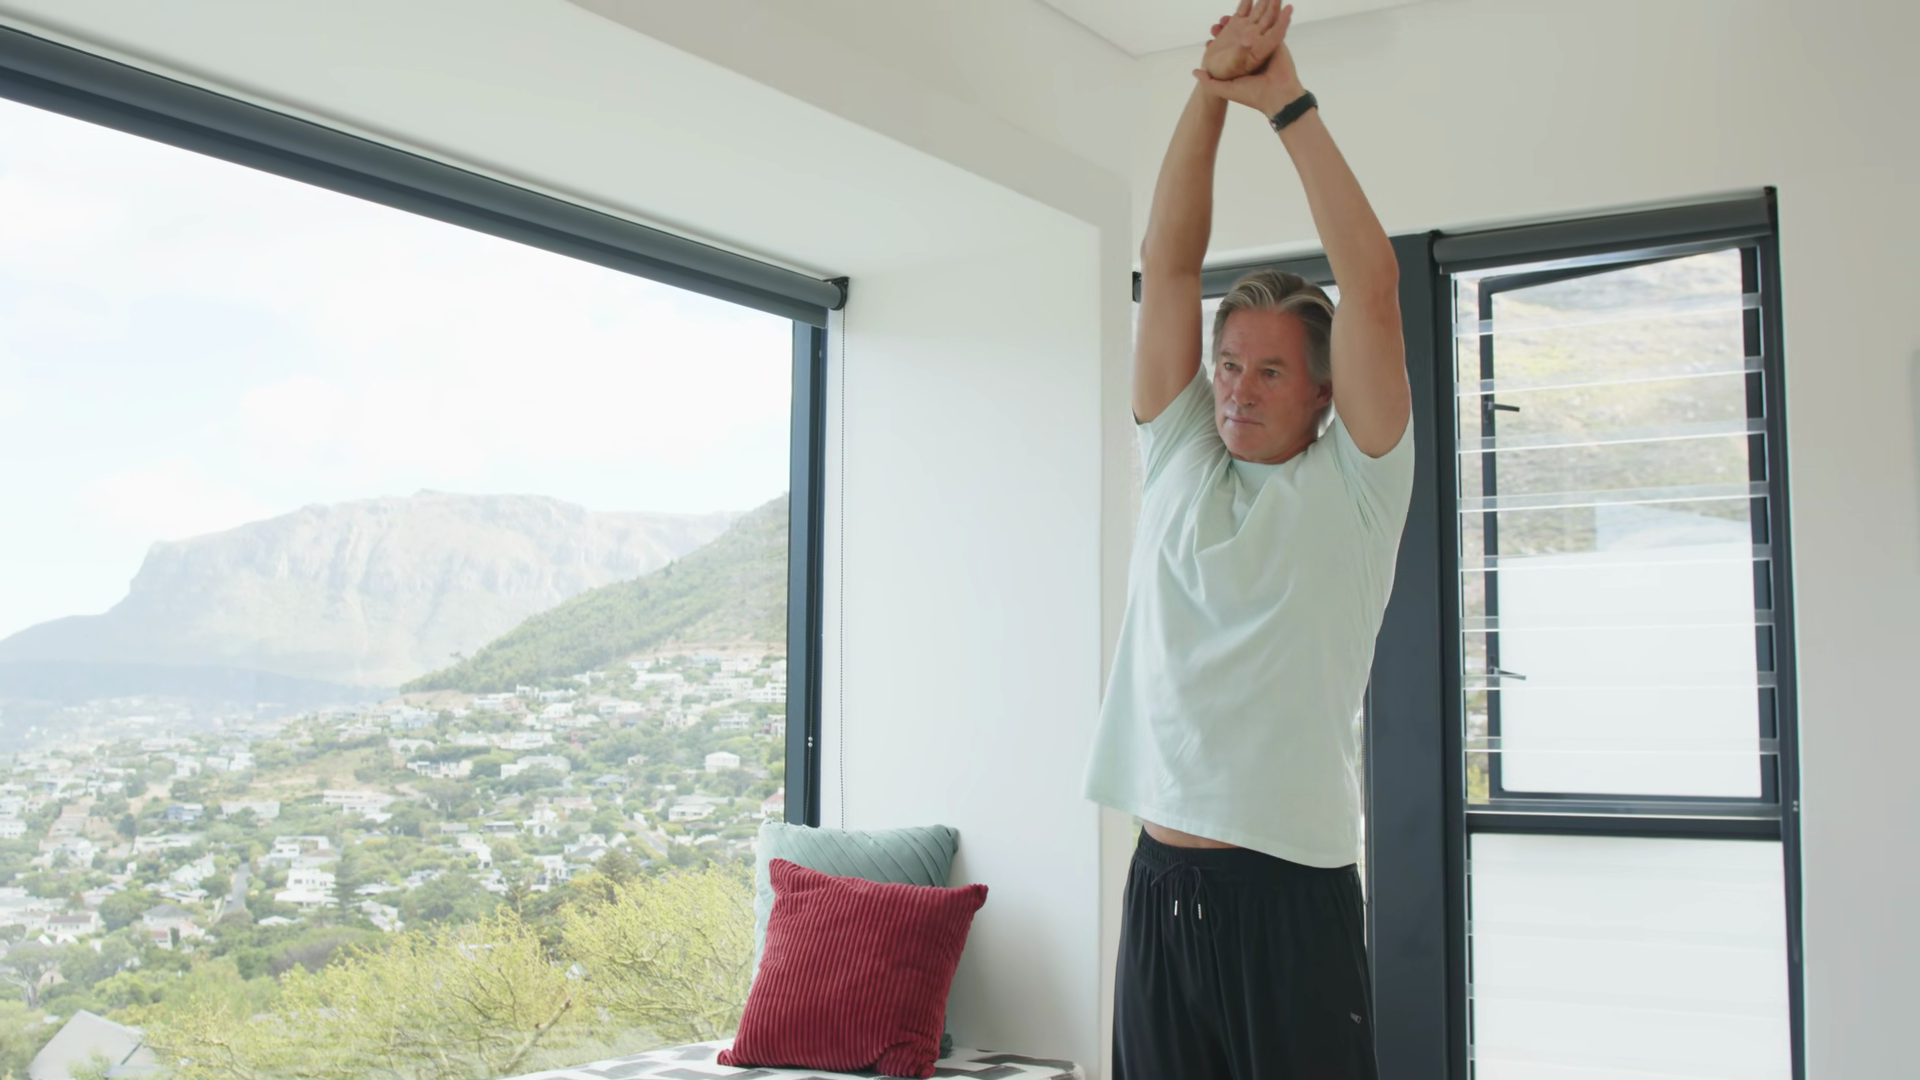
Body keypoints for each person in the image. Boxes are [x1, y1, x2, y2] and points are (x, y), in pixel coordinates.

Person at [1080, 2, 1414, 1077]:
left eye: (1271, 371)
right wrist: (1210, 90)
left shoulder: (1357, 485)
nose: (1238, 389)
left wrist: (1287, 105)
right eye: (1230, 365)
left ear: (1323, 392)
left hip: (1290, 895)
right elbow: (1169, 266)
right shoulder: (1178, 455)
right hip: (1161, 885)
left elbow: (1372, 287)